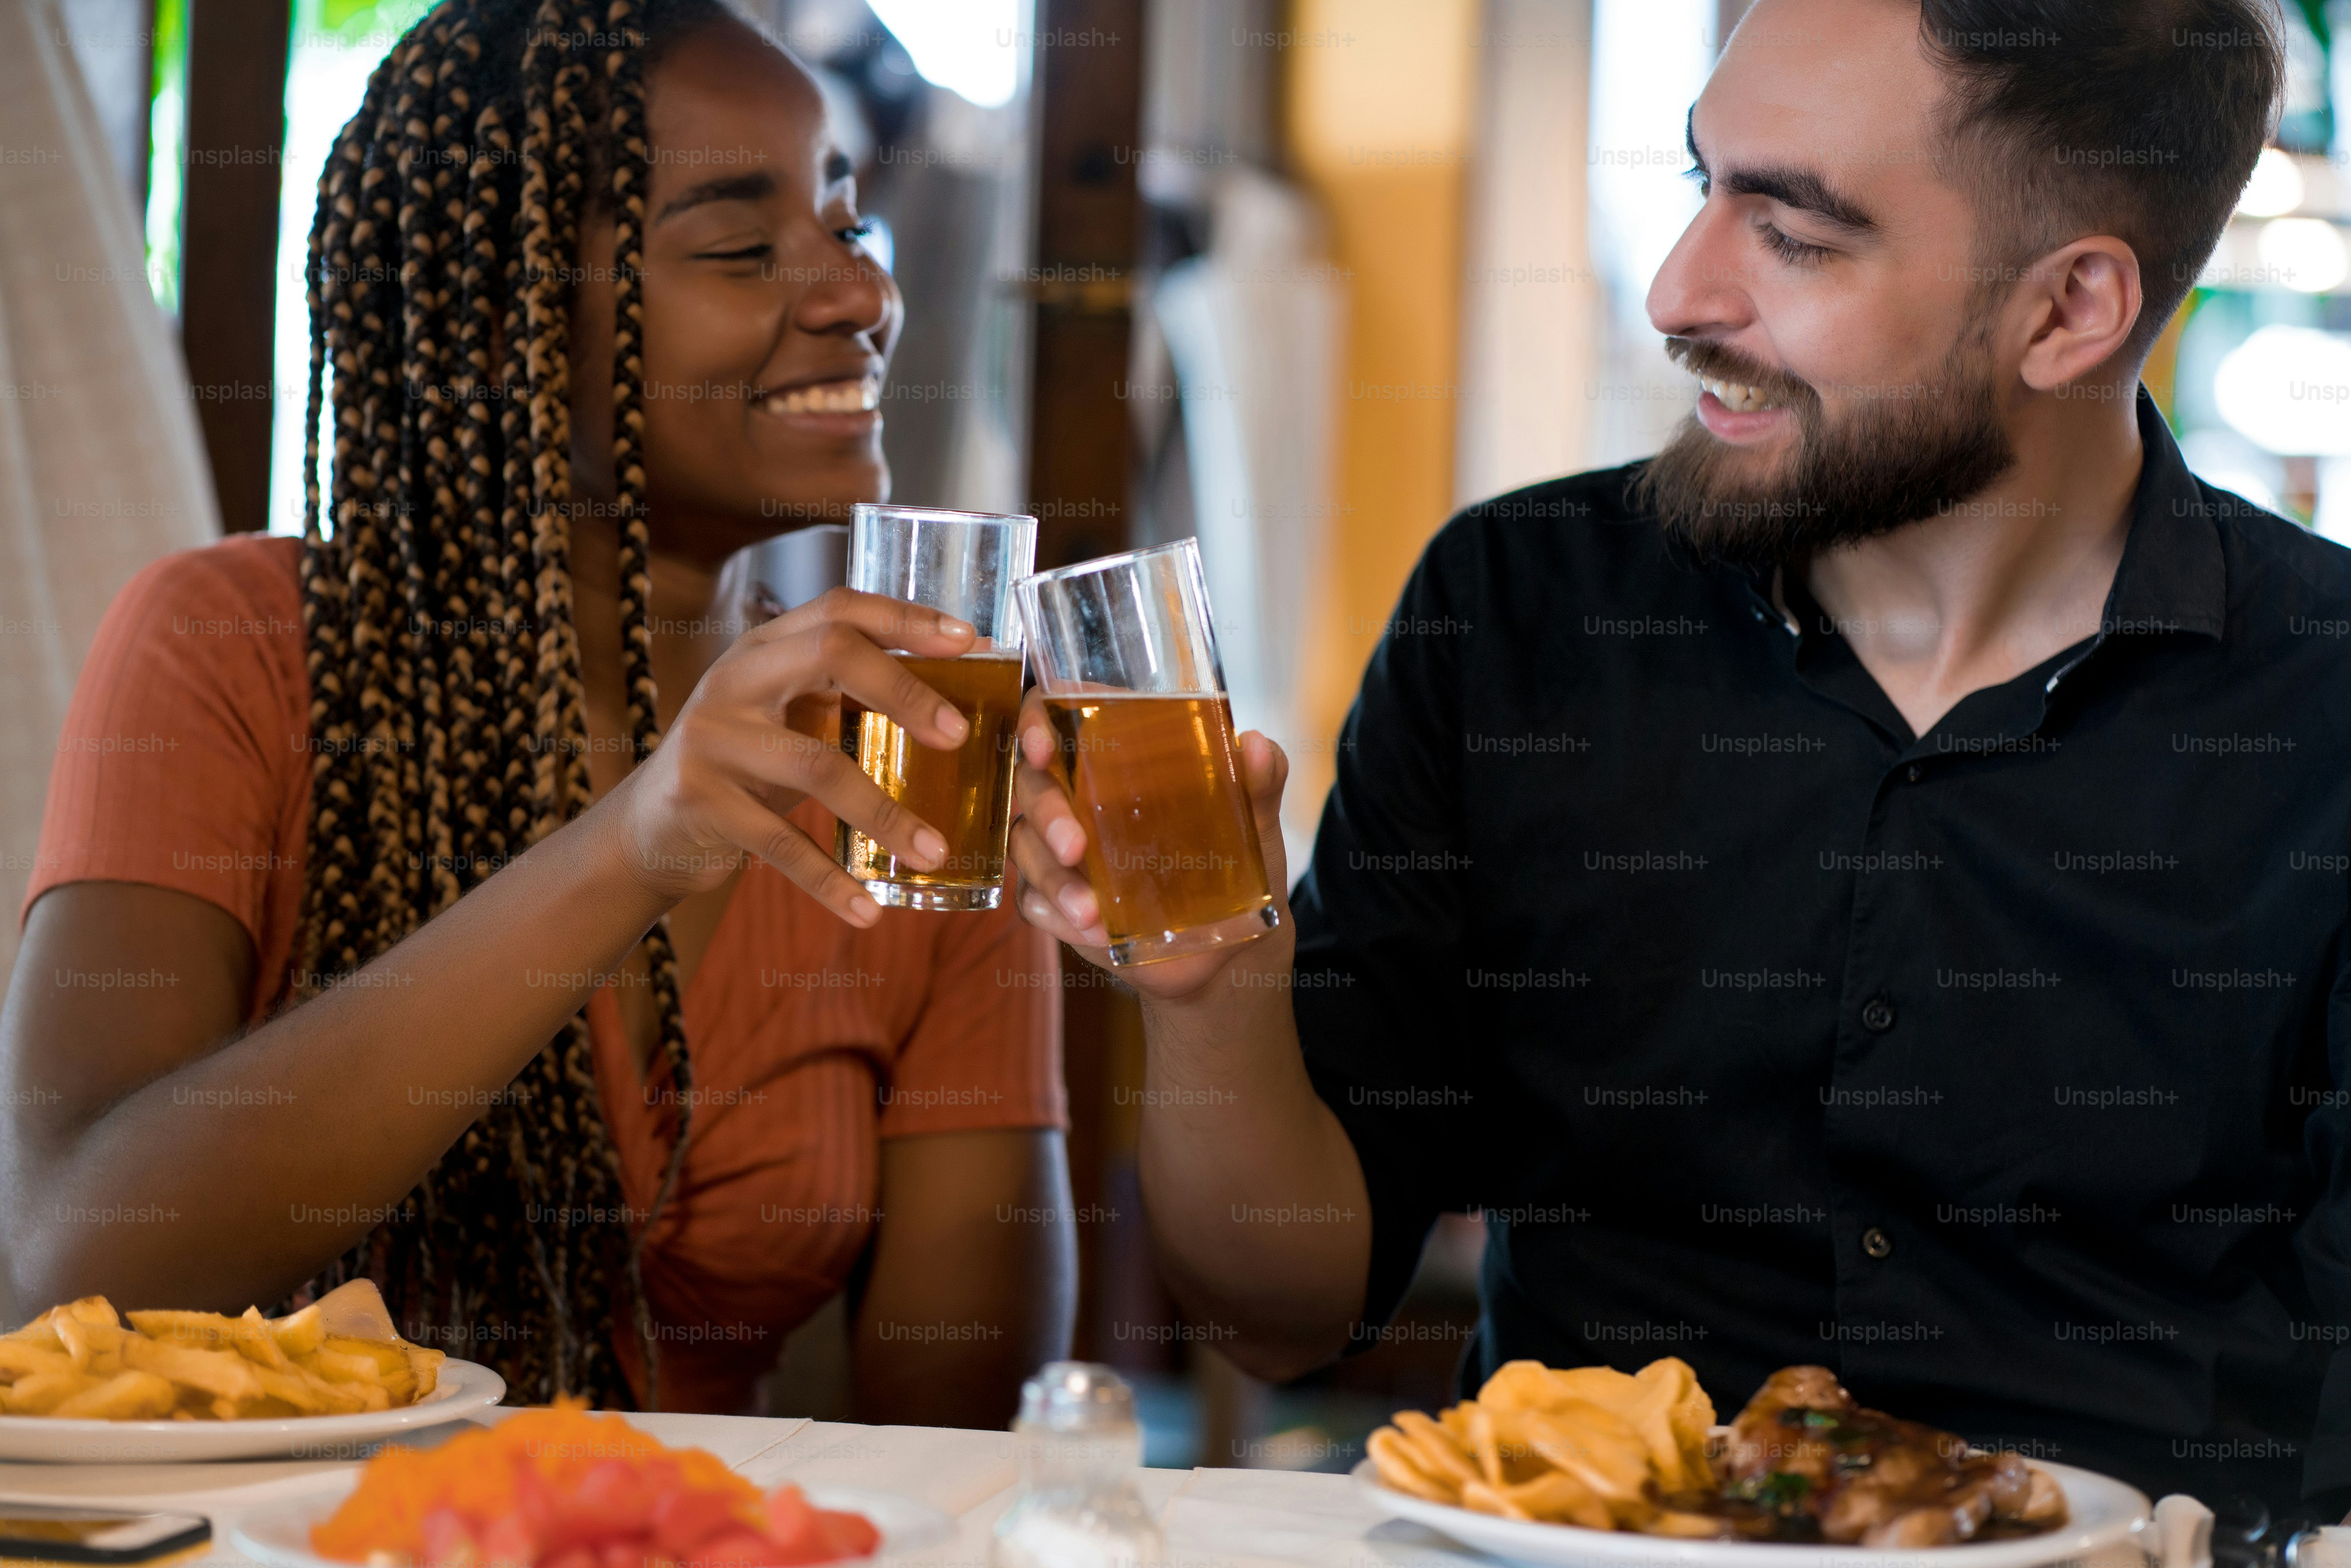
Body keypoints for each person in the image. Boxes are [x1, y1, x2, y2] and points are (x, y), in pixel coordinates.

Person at [1011, 0, 2351, 1516]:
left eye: (1793, 235)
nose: (1676, 290)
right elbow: (1280, 1311)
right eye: (1701, 185)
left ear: (2069, 312)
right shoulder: (1517, 611)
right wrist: (1210, 992)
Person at [0, 0, 1074, 1423]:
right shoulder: (230, 648)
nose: (863, 297)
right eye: (747, 248)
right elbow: (74, 1267)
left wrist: (1162, 970)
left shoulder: (914, 741)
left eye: (846, 226)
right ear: (499, 321)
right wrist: (631, 845)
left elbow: (961, 1424)